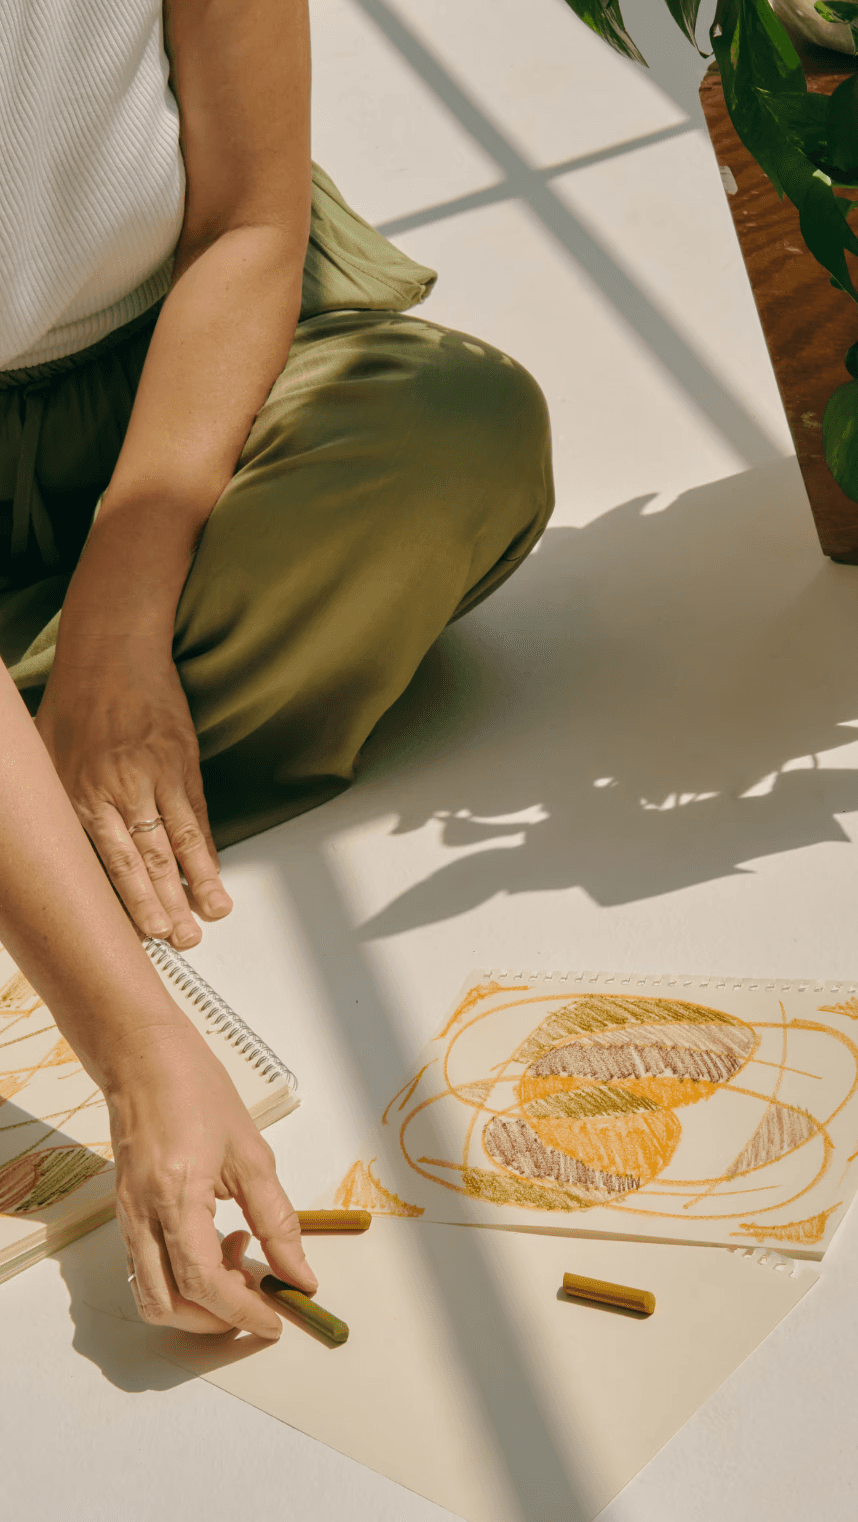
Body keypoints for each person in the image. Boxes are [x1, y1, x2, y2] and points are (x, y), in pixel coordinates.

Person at [0, 0, 554, 1330]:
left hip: (172, 377)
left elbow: (249, 220)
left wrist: (126, 625)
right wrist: (139, 1052)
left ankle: (40, 804)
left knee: (450, 443)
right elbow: (140, 1057)